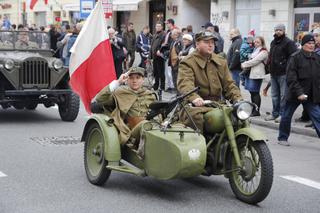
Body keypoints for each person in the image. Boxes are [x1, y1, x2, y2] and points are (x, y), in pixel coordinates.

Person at [177, 31, 242, 132]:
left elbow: (229, 84)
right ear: (197, 44)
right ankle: (198, 146)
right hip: (195, 105)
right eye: (206, 42)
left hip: (217, 103)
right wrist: (194, 98)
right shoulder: (188, 62)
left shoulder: (221, 61)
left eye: (212, 42)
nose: (211, 45)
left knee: (239, 117)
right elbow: (185, 83)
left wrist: (238, 99)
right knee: (195, 118)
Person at [93, 67, 157, 146]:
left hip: (152, 126)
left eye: (138, 78)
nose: (134, 81)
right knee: (144, 125)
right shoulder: (120, 93)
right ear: (127, 80)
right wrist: (118, 82)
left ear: (143, 80)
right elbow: (100, 98)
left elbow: (159, 111)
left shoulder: (150, 94)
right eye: (131, 78)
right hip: (131, 130)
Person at [277, 34, 320, 146]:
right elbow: (291, 78)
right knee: (286, 116)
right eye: (308, 43)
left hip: (311, 94)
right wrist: (299, 93)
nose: (311, 45)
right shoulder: (295, 57)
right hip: (295, 94)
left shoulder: (316, 57)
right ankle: (283, 138)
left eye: (313, 43)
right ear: (303, 45)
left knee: (318, 116)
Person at [265, 24, 297, 123]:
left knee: (284, 95)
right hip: (273, 73)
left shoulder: (289, 43)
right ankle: (275, 113)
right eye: (276, 30)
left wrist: (287, 69)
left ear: (284, 31)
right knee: (274, 95)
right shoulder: (273, 42)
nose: (278, 31)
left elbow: (293, 57)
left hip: (284, 73)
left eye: (280, 30)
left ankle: (282, 115)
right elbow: (271, 56)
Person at [241, 36, 268, 116]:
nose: (256, 44)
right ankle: (254, 109)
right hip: (251, 73)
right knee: (252, 92)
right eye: (255, 42)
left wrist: (244, 64)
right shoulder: (255, 50)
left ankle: (256, 111)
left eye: (258, 42)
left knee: (255, 92)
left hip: (257, 75)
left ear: (262, 43)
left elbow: (255, 61)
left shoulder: (264, 51)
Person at [150, 23, 166, 90]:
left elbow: (164, 45)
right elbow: (152, 46)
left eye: (159, 26)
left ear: (162, 27)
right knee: (155, 72)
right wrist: (149, 56)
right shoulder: (154, 35)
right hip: (154, 56)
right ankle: (156, 85)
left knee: (161, 72)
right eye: (156, 26)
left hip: (160, 56)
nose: (157, 27)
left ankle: (162, 86)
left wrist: (160, 50)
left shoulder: (163, 35)